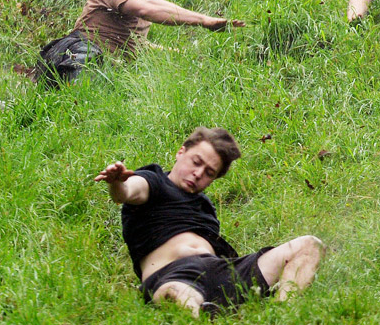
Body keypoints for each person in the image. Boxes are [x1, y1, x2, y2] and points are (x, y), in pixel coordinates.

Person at [94, 127, 324, 316]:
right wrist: (117, 182)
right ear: (180, 152)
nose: (198, 173)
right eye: (196, 162)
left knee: (309, 245)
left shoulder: (206, 208)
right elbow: (127, 192)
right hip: (174, 276)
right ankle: (202, 313)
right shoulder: (154, 182)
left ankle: (279, 316)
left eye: (209, 172)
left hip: (225, 273)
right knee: (178, 295)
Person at [36, 0, 245, 85]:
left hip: (106, 68)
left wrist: (185, 56)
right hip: (75, 55)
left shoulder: (144, 11)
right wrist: (204, 21)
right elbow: (146, 8)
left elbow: (137, 45)